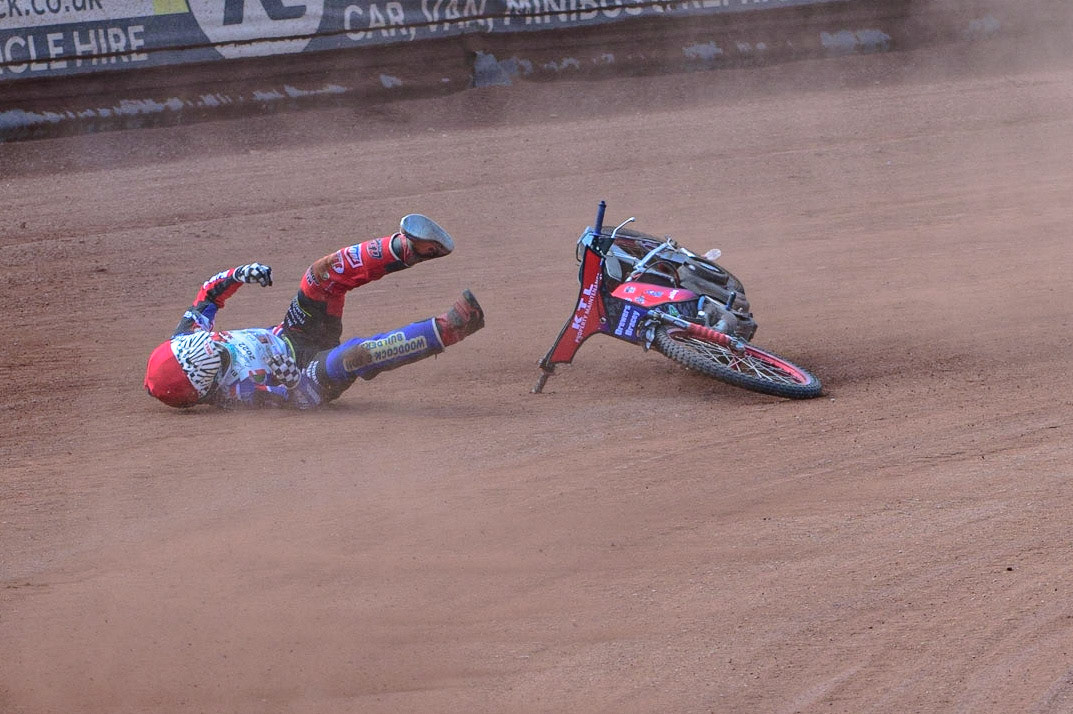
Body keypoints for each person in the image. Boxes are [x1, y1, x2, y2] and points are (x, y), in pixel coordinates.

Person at [144, 214, 484, 409]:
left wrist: (238, 275)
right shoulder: (237, 395)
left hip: (293, 334)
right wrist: (291, 381)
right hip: (310, 375)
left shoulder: (186, 338)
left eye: (213, 343)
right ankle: (448, 329)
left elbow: (208, 295)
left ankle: (410, 248)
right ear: (208, 386)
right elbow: (300, 402)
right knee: (355, 355)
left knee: (318, 276)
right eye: (219, 359)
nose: (218, 345)